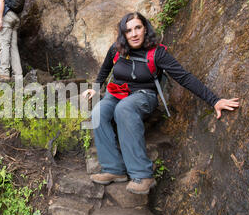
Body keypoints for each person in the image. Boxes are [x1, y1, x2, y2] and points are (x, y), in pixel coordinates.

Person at [81, 12, 240, 195]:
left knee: (124, 109)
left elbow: (184, 77)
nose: (133, 34)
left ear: (145, 29)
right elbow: (106, 68)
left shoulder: (157, 53)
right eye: (128, 30)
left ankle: (142, 175)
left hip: (142, 96)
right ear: (123, 34)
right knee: (99, 111)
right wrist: (95, 87)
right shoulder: (116, 49)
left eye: (137, 28)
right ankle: (113, 169)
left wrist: (214, 100)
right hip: (116, 93)